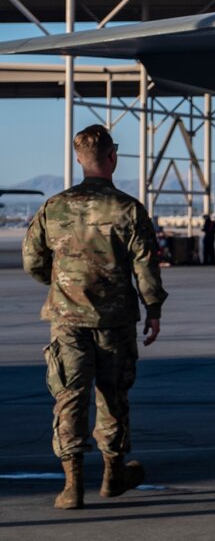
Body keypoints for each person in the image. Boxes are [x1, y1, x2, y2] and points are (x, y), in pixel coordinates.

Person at [22, 124, 167, 511]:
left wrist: (61, 284)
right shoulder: (127, 209)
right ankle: (113, 474)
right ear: (112, 157)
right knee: (112, 395)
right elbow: (146, 267)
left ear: (78, 158)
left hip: (67, 320)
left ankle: (72, 487)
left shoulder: (53, 207)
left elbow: (33, 260)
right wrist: (153, 309)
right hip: (115, 321)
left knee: (69, 397)